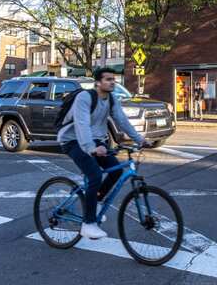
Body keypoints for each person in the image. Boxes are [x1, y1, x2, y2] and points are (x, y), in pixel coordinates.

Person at [57, 67, 150, 240]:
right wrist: (91, 147)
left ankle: (96, 201)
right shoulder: (84, 98)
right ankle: (88, 223)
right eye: (108, 79)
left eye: (113, 79)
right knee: (95, 175)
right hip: (73, 140)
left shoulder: (112, 99)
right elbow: (81, 125)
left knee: (116, 170)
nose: (112, 82)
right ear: (98, 82)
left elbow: (122, 120)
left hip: (96, 140)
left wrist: (139, 139)